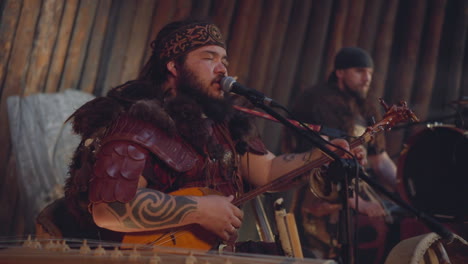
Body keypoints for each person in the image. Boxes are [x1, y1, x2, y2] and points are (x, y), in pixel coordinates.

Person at [36, 20, 366, 254]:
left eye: (223, 60)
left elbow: (265, 171)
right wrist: (199, 210)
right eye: (208, 58)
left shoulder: (221, 125)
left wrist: (324, 153)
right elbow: (109, 209)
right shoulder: (137, 122)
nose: (222, 69)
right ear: (173, 67)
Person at [284, 47, 398, 263]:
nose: (367, 79)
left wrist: (403, 190)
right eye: (359, 71)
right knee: (318, 257)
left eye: (370, 73)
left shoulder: (367, 106)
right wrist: (355, 202)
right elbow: (325, 155)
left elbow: (379, 160)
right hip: (319, 190)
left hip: (356, 189)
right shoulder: (316, 100)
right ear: (340, 72)